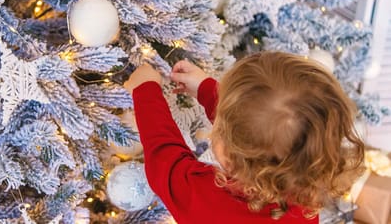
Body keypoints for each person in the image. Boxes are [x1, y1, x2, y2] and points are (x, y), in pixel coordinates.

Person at [124, 52, 365, 223]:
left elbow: (166, 160)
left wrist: (145, 90)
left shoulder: (206, 202)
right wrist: (206, 88)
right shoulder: (306, 182)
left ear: (228, 159)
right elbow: (254, 125)